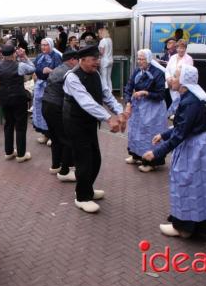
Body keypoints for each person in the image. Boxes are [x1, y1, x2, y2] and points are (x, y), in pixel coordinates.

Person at [143, 64, 206, 238]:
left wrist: (156, 153)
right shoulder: (188, 97)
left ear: (183, 82)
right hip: (195, 144)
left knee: (187, 183)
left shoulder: (190, 101)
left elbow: (181, 133)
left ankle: (184, 228)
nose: (170, 79)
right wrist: (164, 134)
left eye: (174, 76)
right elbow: (181, 126)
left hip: (196, 148)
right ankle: (190, 224)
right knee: (196, 185)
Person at [63, 45, 125, 213]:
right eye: (94, 59)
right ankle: (82, 197)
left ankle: (86, 189)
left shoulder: (96, 74)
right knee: (84, 161)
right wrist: (108, 118)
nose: (97, 62)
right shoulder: (72, 77)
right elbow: (86, 101)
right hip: (75, 123)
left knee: (95, 159)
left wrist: (119, 111)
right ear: (82, 60)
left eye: (97, 59)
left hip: (89, 122)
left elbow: (106, 94)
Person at [124, 49, 167, 172]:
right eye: (138, 59)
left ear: (148, 60)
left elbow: (161, 94)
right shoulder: (137, 71)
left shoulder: (157, 73)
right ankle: (136, 155)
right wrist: (128, 102)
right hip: (139, 106)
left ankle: (151, 162)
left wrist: (145, 92)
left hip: (153, 108)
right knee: (135, 132)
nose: (140, 61)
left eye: (142, 59)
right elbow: (129, 86)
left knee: (149, 134)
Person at [0, 45, 36, 162]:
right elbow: (33, 69)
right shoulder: (20, 65)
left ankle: (9, 152)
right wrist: (24, 56)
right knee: (20, 126)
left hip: (4, 98)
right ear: (14, 54)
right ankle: (21, 154)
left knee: (8, 124)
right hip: (18, 98)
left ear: (2, 54)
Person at [42, 50, 78, 182]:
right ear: (72, 60)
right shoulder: (70, 72)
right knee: (66, 138)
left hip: (46, 105)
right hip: (57, 106)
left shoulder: (57, 69)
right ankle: (65, 171)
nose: (79, 62)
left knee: (55, 137)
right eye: (77, 59)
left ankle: (56, 165)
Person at [33, 38, 62, 145]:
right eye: (42, 45)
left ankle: (53, 136)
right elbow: (34, 67)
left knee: (50, 111)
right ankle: (45, 134)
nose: (43, 47)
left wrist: (51, 71)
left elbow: (61, 72)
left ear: (50, 45)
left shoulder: (56, 56)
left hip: (51, 86)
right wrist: (34, 74)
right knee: (40, 110)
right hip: (40, 85)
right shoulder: (39, 56)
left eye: (46, 45)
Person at [165, 39, 194, 116]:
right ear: (176, 48)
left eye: (183, 48)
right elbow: (167, 70)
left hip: (182, 86)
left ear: (185, 48)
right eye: (179, 48)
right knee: (174, 101)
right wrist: (168, 78)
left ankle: (178, 118)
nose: (181, 50)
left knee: (180, 103)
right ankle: (175, 118)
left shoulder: (189, 59)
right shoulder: (173, 57)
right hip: (171, 84)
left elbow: (188, 73)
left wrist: (177, 81)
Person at [98, 28, 114, 92]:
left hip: (104, 60)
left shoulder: (102, 41)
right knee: (109, 77)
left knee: (103, 77)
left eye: (99, 33)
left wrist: (97, 54)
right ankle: (110, 91)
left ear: (102, 33)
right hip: (110, 60)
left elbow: (101, 52)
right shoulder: (110, 40)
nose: (98, 34)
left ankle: (105, 92)